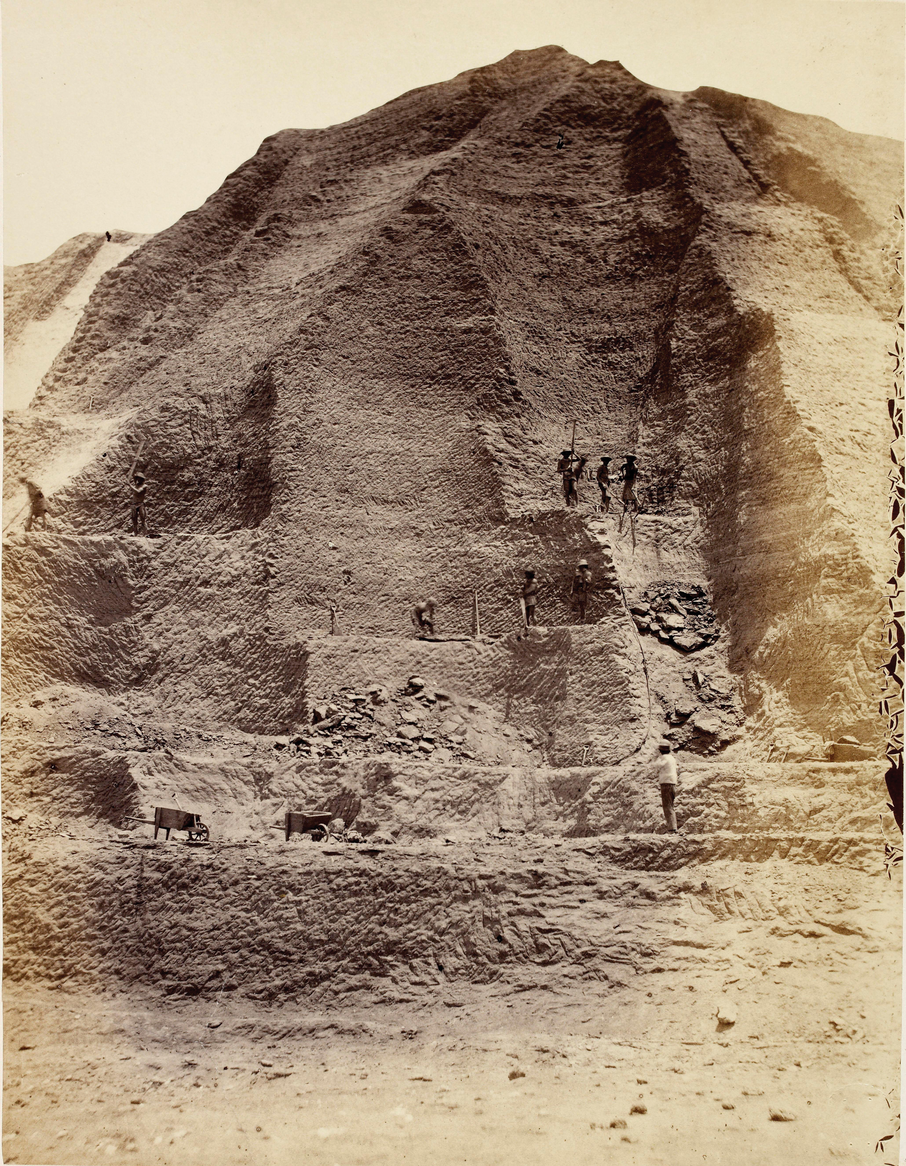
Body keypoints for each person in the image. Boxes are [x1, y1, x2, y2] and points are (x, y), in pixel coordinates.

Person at [657, 741, 679, 832]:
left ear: (660, 750)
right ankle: (672, 827)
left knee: (667, 806)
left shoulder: (663, 758)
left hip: (666, 783)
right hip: (673, 783)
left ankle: (672, 829)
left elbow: (656, 766)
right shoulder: (672, 758)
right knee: (671, 805)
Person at [618, 455, 640, 524]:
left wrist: (626, 477)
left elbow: (633, 476)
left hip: (632, 481)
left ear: (632, 460)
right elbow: (620, 468)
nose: (627, 460)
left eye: (629, 459)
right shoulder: (625, 465)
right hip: (627, 481)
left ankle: (636, 508)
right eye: (627, 459)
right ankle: (625, 509)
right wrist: (622, 474)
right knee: (625, 496)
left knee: (634, 495)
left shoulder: (635, 467)